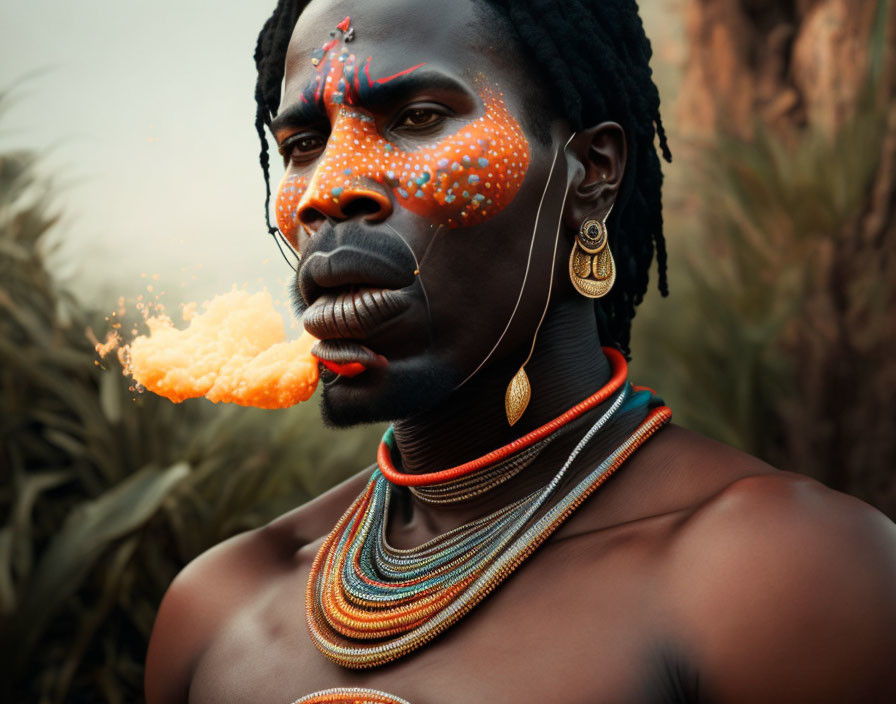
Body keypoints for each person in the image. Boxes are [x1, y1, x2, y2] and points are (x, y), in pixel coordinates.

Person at [145, 0, 896, 702]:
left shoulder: (788, 574)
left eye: (416, 117)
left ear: (592, 174)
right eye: (304, 144)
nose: (325, 191)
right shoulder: (217, 607)